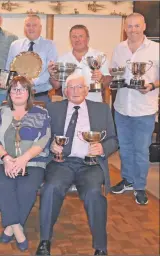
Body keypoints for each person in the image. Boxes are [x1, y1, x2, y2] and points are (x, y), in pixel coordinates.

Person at [35, 74, 118, 256]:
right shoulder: (53, 108)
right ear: (65, 91)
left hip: (90, 164)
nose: (75, 91)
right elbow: (41, 135)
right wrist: (50, 145)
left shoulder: (101, 109)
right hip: (61, 163)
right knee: (50, 188)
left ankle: (100, 247)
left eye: (79, 87)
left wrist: (102, 148)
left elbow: (113, 139)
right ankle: (45, 241)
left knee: (94, 193)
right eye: (71, 88)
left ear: (87, 90)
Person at [110, 13, 159, 205]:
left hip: (144, 110)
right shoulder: (119, 48)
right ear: (125, 28)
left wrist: (153, 86)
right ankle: (128, 180)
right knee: (125, 149)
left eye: (137, 26)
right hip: (122, 108)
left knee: (141, 151)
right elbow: (115, 74)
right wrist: (113, 82)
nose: (133, 30)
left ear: (144, 26)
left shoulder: (156, 49)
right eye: (129, 26)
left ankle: (140, 187)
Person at [0, 76, 51, 251]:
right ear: (9, 93)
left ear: (29, 93)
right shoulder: (2, 112)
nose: (18, 92)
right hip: (4, 161)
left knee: (27, 188)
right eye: (14, 89)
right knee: (4, 184)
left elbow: (43, 140)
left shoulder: (40, 113)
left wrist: (23, 159)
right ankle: (17, 229)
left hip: (33, 162)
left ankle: (10, 227)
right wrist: (6, 158)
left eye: (22, 89)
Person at [48, 24, 111, 102]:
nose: (77, 40)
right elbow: (56, 86)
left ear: (87, 39)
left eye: (81, 36)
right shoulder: (62, 59)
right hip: (69, 104)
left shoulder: (99, 56)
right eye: (74, 37)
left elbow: (108, 82)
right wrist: (52, 75)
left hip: (93, 103)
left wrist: (101, 78)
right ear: (70, 39)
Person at [6, 15, 58, 103]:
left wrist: (32, 82)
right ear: (24, 28)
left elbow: (50, 72)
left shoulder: (50, 45)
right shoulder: (15, 45)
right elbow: (8, 69)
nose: (31, 28)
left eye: (34, 25)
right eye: (28, 25)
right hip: (17, 96)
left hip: (40, 96)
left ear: (40, 28)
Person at [0, 15, 18, 104]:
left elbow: (16, 64)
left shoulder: (12, 39)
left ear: (0, 20)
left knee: (4, 117)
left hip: (3, 92)